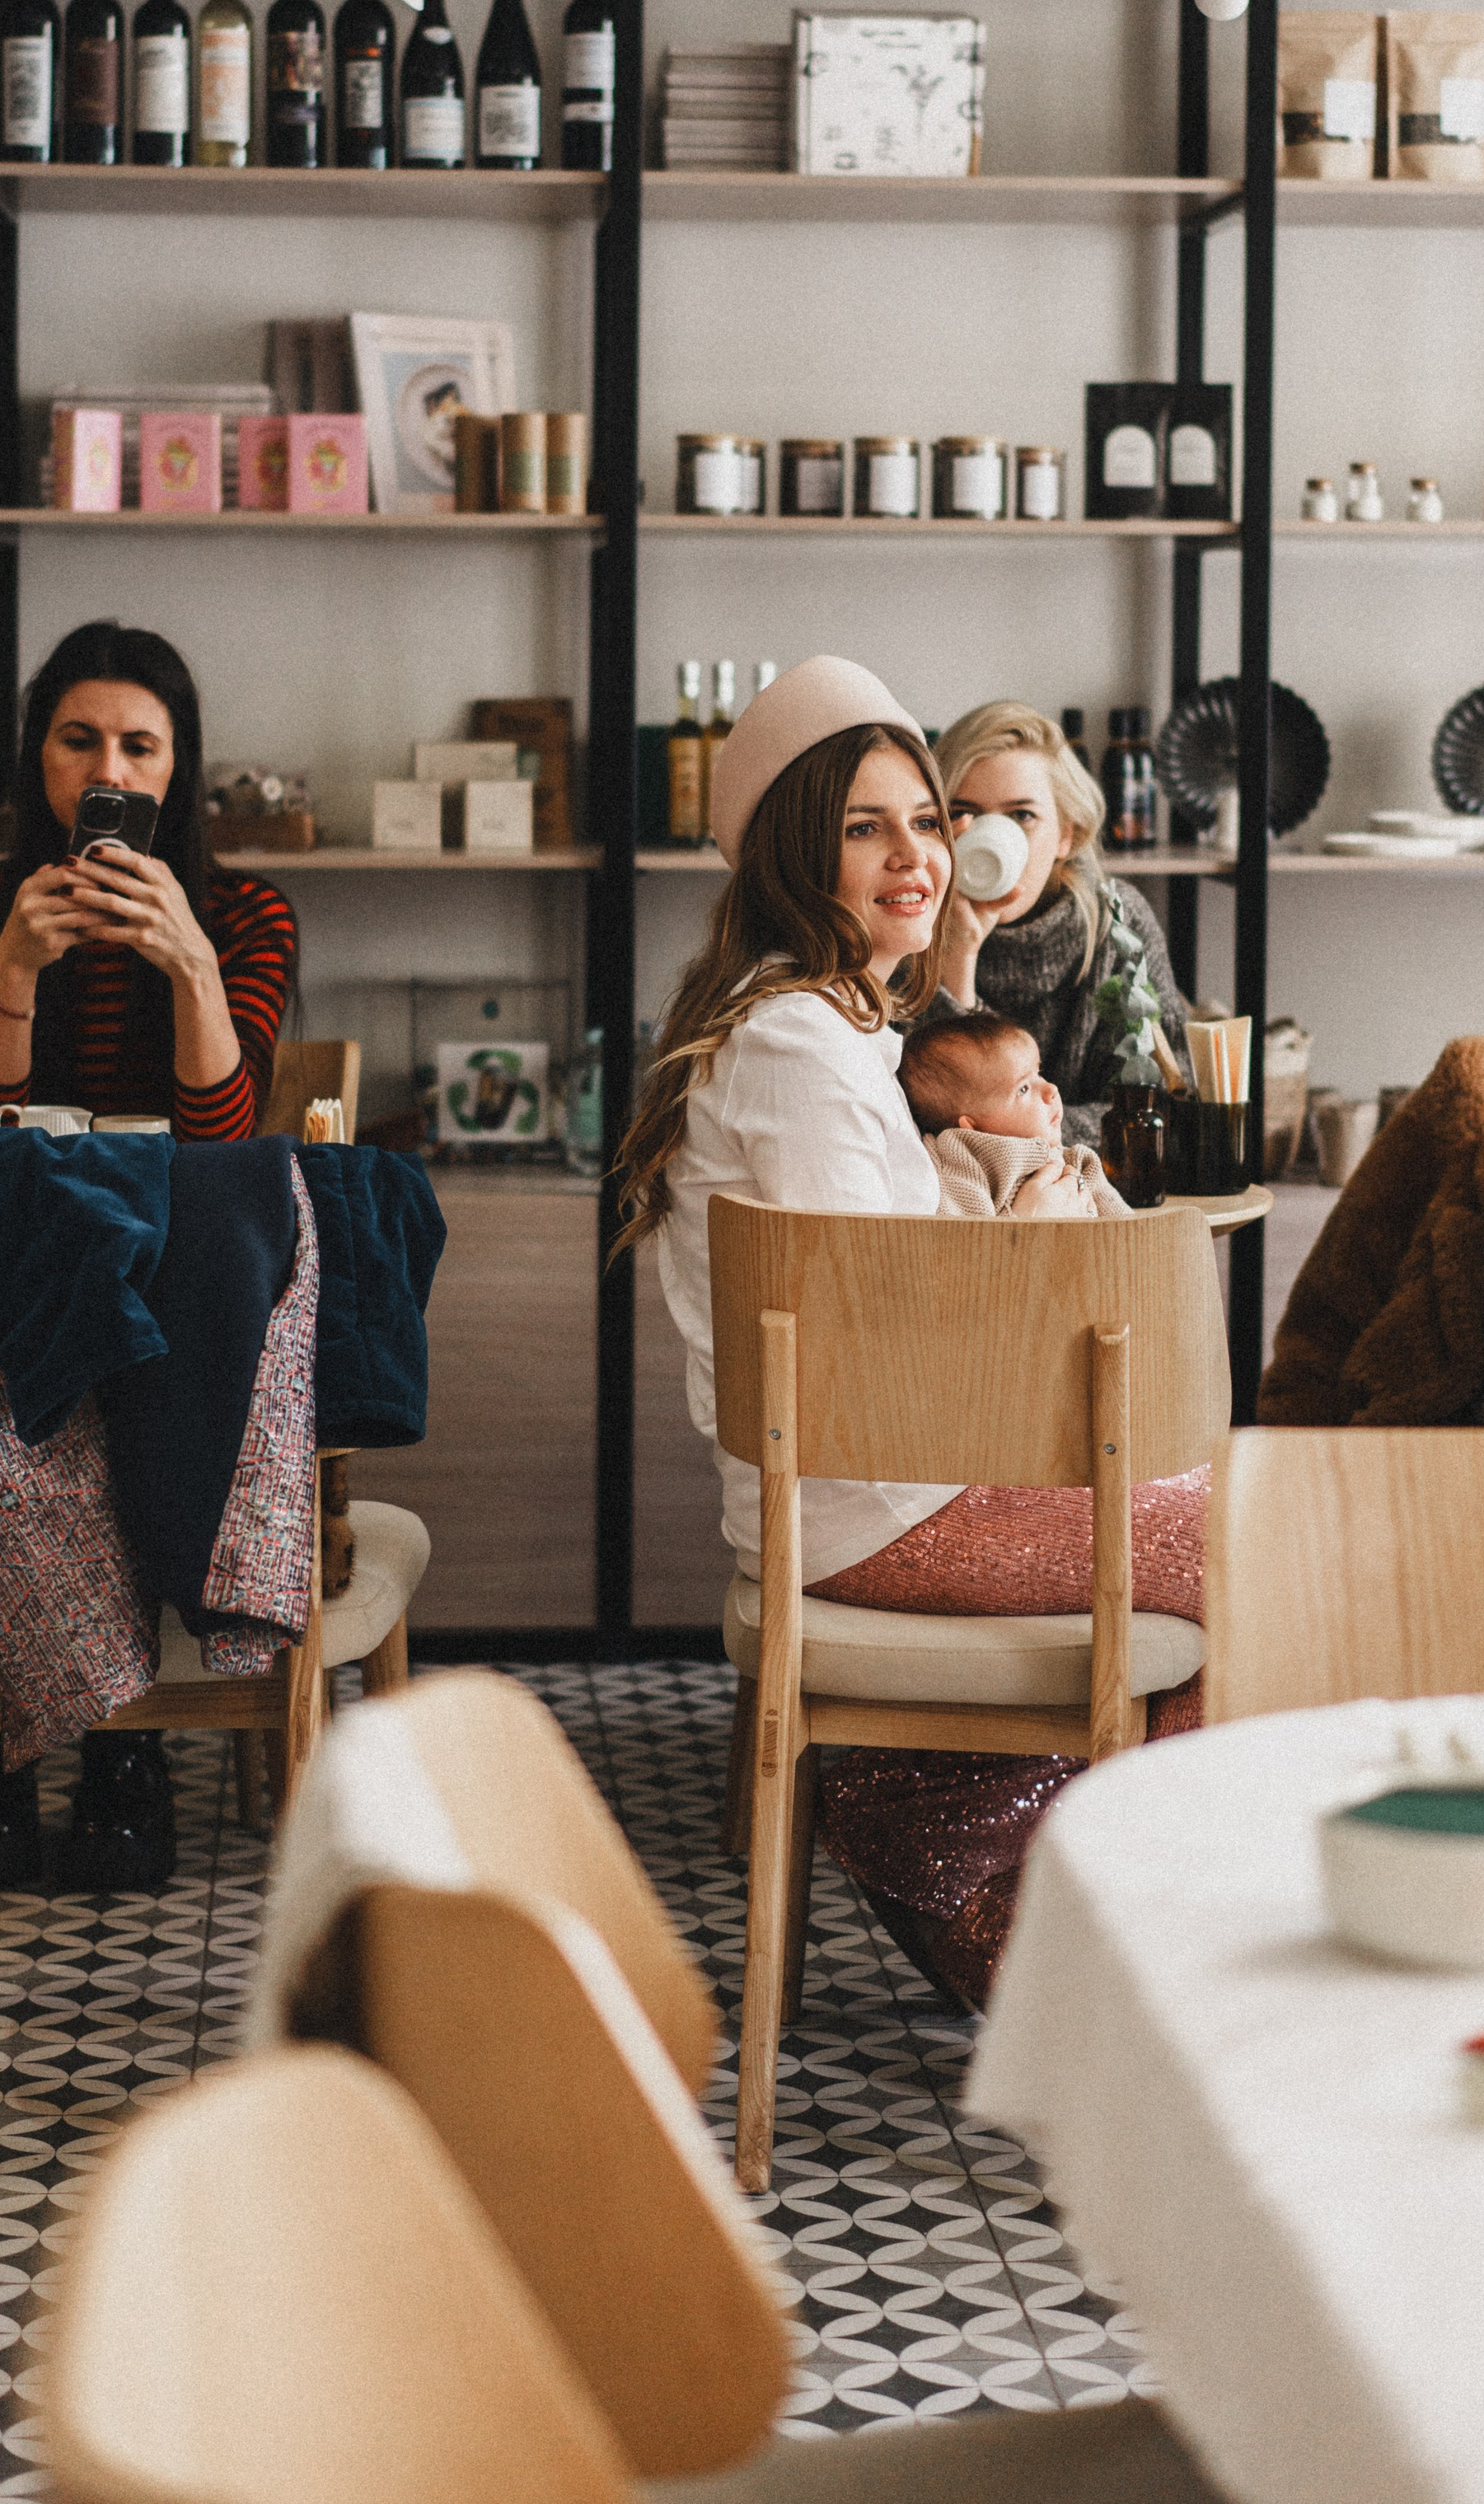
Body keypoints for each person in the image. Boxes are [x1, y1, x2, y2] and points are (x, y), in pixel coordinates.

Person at [615, 656, 1205, 2010]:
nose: (917, 855)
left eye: (928, 821)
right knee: (1236, 1542)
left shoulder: (808, 1023)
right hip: (871, 1502)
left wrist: (944, 982)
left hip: (868, 1486)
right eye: (865, 828)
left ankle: (982, 1860)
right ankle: (1012, 1881)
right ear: (792, 852)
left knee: (1198, 1518)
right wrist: (1034, 1239)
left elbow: (884, 1286)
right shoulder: (801, 1051)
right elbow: (890, 1350)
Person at [0, 620, 299, 1891]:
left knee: (115, 1340)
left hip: (175, 1293)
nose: (107, 771)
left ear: (179, 769)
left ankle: (115, 1748)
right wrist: (16, 962)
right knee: (34, 1317)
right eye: (80, 740)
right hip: (24, 1276)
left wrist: (186, 956)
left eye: (141, 744)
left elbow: (222, 1136)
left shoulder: (245, 912)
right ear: (37, 761)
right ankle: (26, 1748)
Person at [934, 700, 1188, 1147]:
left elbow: (1165, 1104)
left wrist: (1016, 1133)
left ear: (1066, 834)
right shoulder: (908, 929)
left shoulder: (1118, 923)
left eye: (1022, 817)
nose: (992, 840)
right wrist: (957, 967)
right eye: (964, 814)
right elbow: (911, 1119)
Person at [898, 1009, 1129, 1219]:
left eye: (1039, 1072)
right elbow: (968, 1242)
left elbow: (1128, 1232)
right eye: (1023, 1089)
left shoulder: (1080, 1161)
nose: (1051, 1090)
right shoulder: (962, 1159)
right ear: (972, 1126)